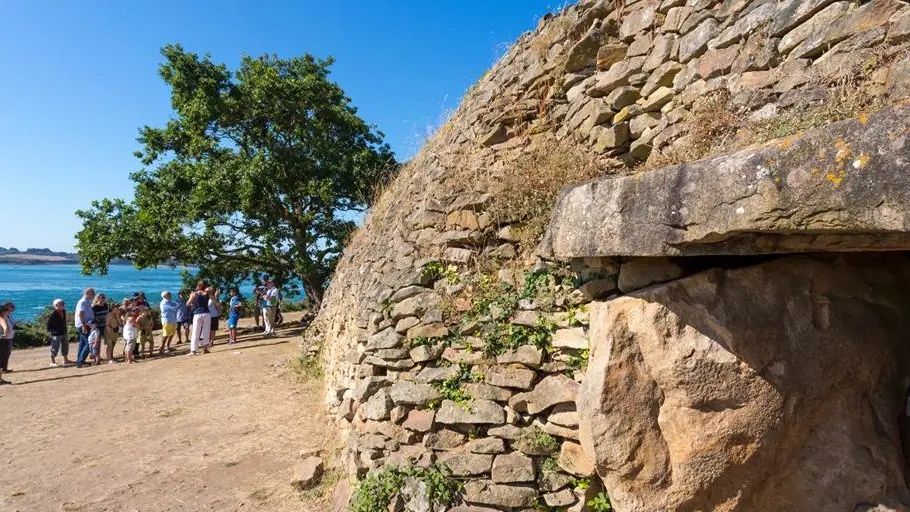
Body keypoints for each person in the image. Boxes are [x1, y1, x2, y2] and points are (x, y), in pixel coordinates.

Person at [187, 281, 211, 355]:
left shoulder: (194, 294)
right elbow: (215, 301)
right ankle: (205, 348)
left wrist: (193, 304)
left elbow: (187, 303)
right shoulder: (207, 293)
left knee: (195, 332)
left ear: (198, 286)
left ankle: (193, 350)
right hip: (206, 313)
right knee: (206, 331)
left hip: (197, 313)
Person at [47, 298, 72, 367]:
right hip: (56, 333)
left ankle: (65, 359)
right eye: (60, 304)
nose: (62, 305)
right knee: (55, 347)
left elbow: (64, 321)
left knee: (65, 345)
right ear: (56, 305)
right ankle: (52, 361)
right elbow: (49, 323)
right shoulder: (53, 313)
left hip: (63, 331)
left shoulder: (64, 311)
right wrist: (49, 332)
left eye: (63, 304)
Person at [74, 288, 96, 368]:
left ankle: (79, 360)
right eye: (92, 293)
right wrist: (83, 325)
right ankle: (80, 362)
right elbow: (81, 314)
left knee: (82, 343)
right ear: (87, 293)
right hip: (84, 324)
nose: (94, 294)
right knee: (88, 343)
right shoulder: (83, 302)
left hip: (84, 324)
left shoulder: (85, 301)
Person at [91, 293, 109, 362]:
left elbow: (107, 314)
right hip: (97, 326)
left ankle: (105, 355)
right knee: (97, 342)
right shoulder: (94, 307)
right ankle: (96, 356)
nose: (101, 299)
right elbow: (92, 317)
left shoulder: (106, 305)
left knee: (107, 341)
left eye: (103, 297)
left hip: (105, 325)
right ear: (96, 298)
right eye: (99, 297)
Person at [0, 303, 12, 384]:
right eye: (7, 311)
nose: (8, 312)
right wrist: (4, 333)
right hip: (2, 340)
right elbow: (6, 328)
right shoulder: (1, 318)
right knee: (1, 360)